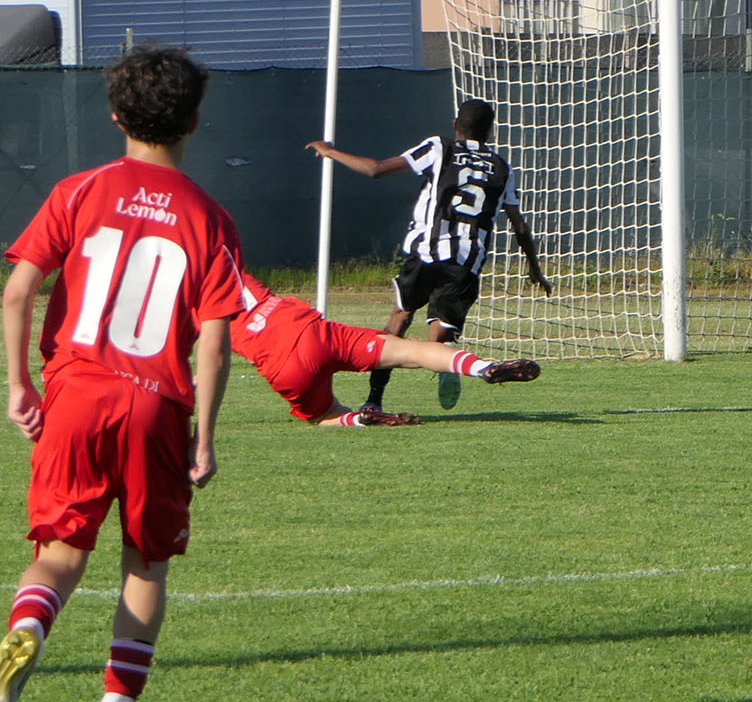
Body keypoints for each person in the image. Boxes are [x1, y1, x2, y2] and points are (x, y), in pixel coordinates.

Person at [1, 45, 245, 702]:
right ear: (194, 122)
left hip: (75, 393)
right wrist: (205, 436)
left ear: (114, 116)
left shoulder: (78, 191)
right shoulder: (209, 219)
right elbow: (215, 344)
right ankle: (116, 699)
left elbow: (17, 292)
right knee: (145, 561)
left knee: (60, 554)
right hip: (156, 405)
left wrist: (20, 385)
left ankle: (28, 624)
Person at [306, 98, 551, 414]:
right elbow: (519, 226)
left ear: (455, 124)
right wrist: (535, 269)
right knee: (434, 344)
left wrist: (330, 151)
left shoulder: (440, 147)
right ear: (490, 130)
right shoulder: (502, 168)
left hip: (426, 252)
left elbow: (375, 170)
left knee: (399, 320)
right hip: (466, 261)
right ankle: (447, 364)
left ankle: (374, 400)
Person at [230, 272, 542, 427]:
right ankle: (483, 368)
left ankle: (360, 419)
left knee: (323, 413)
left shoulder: (194, 302)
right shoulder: (233, 270)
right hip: (311, 330)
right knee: (412, 350)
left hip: (283, 364)